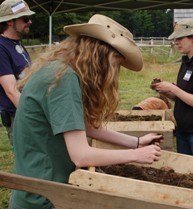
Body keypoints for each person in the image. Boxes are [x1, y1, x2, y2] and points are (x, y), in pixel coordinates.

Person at [10, 14, 163, 209]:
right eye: (117, 61)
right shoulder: (63, 79)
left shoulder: (60, 71)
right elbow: (81, 155)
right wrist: (137, 155)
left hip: (42, 188)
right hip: (44, 196)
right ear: (102, 53)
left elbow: (82, 125)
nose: (116, 70)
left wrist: (136, 142)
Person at [151, 18, 193, 177]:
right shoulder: (187, 62)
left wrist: (174, 89)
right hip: (185, 129)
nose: (176, 42)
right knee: (188, 175)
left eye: (180, 38)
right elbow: (186, 96)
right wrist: (168, 91)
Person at [0, 0, 35, 145]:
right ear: (9, 22)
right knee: (28, 163)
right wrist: (34, 117)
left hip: (26, 114)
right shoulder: (1, 48)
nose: (30, 22)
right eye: (25, 19)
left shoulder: (16, 44)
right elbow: (11, 91)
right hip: (19, 118)